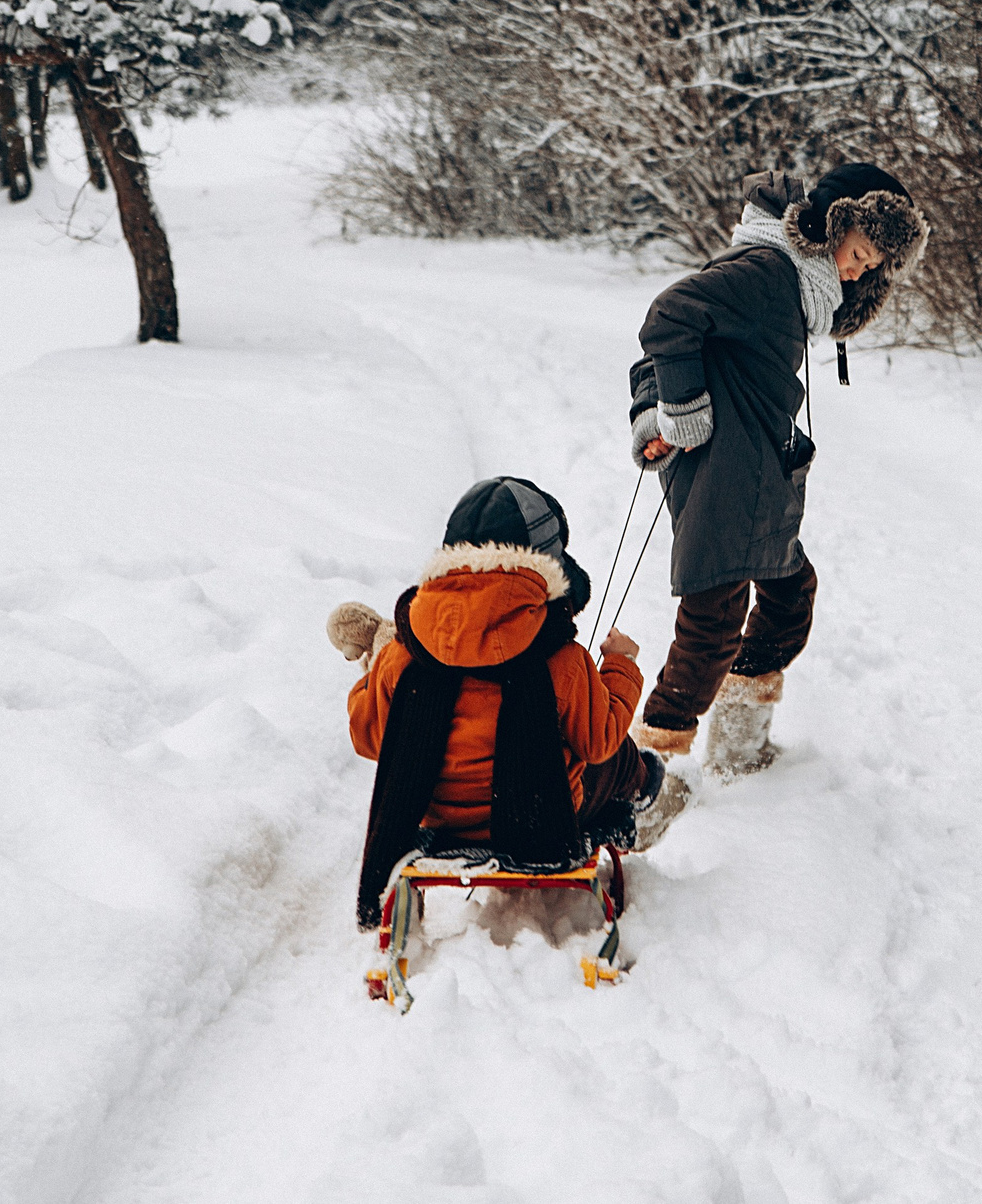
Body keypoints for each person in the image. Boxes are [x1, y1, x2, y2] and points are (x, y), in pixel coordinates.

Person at [626, 163, 932, 775]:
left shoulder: (792, 286)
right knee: (709, 632)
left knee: (789, 600)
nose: (858, 270)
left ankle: (738, 748)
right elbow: (668, 319)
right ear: (833, 225)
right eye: (860, 252)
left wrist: (655, 416)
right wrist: (678, 411)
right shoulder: (768, 274)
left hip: (758, 477)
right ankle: (634, 781)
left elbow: (685, 346)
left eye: (872, 268)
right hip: (726, 478)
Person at [329, 475, 677, 928]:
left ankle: (645, 778)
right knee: (609, 750)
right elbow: (599, 741)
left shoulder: (405, 654)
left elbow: (369, 736)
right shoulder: (561, 658)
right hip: (543, 818)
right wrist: (620, 665)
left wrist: (374, 670)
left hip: (441, 819)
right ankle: (647, 783)